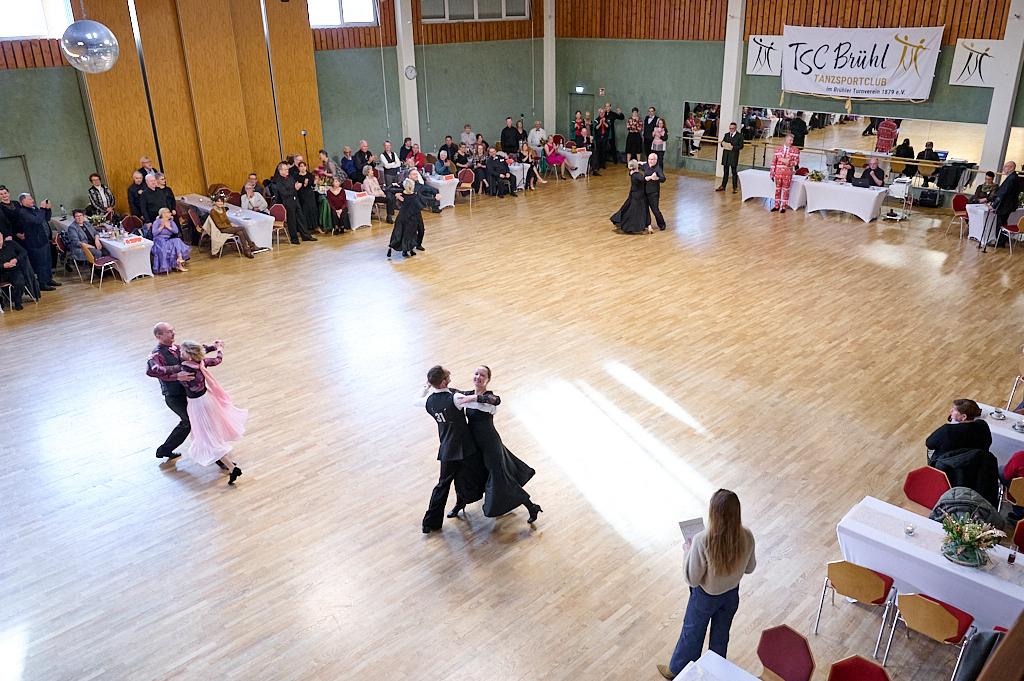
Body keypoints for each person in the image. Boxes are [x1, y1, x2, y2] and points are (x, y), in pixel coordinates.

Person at [657, 489, 756, 680]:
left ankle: (678, 672)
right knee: (721, 637)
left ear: (713, 513)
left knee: (692, 634)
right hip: (731, 596)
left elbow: (692, 579)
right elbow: (750, 568)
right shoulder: (747, 536)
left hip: (705, 598)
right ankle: (715, 673)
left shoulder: (702, 540)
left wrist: (688, 550)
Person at [453, 366, 542, 522]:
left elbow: (496, 400)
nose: (478, 377)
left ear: (488, 380)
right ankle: (460, 503)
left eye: (482, 375)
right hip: (474, 444)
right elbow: (452, 392)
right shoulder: (468, 393)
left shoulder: (489, 397)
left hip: (490, 444)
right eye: (476, 373)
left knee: (501, 477)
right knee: (467, 474)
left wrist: (473, 398)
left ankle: (531, 506)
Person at [420, 365, 487, 532]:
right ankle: (499, 501)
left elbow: (415, 400)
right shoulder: (455, 397)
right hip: (466, 448)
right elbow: (477, 402)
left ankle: (430, 523)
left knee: (442, 485)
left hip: (448, 450)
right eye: (446, 375)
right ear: (443, 382)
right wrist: (482, 396)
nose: (449, 374)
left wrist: (426, 386)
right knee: (484, 473)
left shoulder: (428, 401)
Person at [176, 340, 246, 485]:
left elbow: (166, 372)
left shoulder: (184, 369)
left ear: (189, 356)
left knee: (206, 437)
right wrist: (218, 348)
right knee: (211, 431)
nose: (179, 353)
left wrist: (176, 376)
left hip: (197, 405)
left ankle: (232, 468)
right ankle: (229, 465)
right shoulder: (202, 362)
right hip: (208, 399)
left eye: (182, 352)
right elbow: (217, 360)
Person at [147, 323, 217, 461]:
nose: (173, 333)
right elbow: (152, 371)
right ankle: (218, 457)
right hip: (174, 397)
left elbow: (195, 351)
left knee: (194, 423)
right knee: (192, 423)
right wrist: (177, 375)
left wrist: (214, 347)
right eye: (169, 331)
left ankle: (165, 450)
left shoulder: (178, 348)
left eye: (173, 330)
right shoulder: (156, 354)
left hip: (189, 394)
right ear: (159, 336)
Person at [12, 192, 59, 291]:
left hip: (44, 239)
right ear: (23, 201)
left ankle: (49, 279)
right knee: (41, 263)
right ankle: (42, 283)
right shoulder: (23, 212)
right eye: (29, 199)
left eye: (32, 198)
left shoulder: (34, 209)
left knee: (48, 261)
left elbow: (45, 218)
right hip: (35, 241)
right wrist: (42, 208)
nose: (32, 200)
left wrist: (47, 209)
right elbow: (36, 221)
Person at [925, 399, 992, 457]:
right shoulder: (983, 424)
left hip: (949, 463)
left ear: (964, 417)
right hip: (977, 461)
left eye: (954, 410)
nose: (951, 411)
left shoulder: (947, 430)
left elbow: (929, 444)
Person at [270, 162, 314, 244]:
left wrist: (296, 187)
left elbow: (293, 186)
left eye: (287, 169)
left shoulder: (290, 177)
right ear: (280, 171)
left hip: (295, 200)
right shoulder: (278, 181)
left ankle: (306, 236)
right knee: (292, 221)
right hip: (287, 203)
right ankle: (294, 239)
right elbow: (284, 193)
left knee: (301, 218)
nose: (287, 171)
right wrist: (295, 188)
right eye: (285, 169)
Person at [611, 160, 652, 234]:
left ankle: (647, 225)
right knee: (637, 211)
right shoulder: (637, 175)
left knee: (629, 208)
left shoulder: (632, 173)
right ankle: (633, 226)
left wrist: (641, 164)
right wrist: (651, 177)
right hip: (638, 195)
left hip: (634, 194)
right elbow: (642, 179)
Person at [387, 179, 422, 259]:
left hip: (403, 217)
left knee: (402, 233)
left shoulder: (402, 195)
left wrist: (397, 195)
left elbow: (389, 189)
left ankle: (408, 249)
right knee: (409, 234)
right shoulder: (415, 196)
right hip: (410, 217)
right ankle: (406, 250)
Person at [151, 208, 190, 272]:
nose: (170, 213)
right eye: (168, 212)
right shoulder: (157, 222)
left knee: (177, 240)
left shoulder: (171, 222)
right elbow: (154, 233)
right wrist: (161, 227)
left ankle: (179, 259)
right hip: (158, 241)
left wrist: (168, 227)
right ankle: (176, 265)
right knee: (164, 244)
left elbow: (176, 231)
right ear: (163, 214)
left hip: (167, 239)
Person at [770, 133, 800, 214]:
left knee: (786, 190)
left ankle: (783, 206)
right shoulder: (778, 149)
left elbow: (796, 162)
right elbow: (774, 162)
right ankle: (776, 205)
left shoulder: (795, 150)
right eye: (790, 140)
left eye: (792, 140)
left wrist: (788, 162)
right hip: (778, 173)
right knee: (777, 189)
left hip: (787, 173)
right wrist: (772, 173)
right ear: (786, 140)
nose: (791, 142)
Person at [991, 160, 1021, 235]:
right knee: (1003, 223)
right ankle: (1002, 239)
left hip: (1005, 206)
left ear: (1011, 168)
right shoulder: (1013, 177)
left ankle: (999, 240)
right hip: (1008, 205)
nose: (1004, 168)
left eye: (1006, 166)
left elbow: (1003, 193)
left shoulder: (1011, 178)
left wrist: (994, 205)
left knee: (1000, 224)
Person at [0, 237, 30, 310]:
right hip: (1, 272)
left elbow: (24, 252)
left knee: (20, 282)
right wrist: (3, 265)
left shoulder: (11, 243)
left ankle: (17, 302)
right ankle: (1, 303)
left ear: (2, 237)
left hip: (13, 270)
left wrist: (16, 259)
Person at [716, 122, 744, 193]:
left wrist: (732, 147)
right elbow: (722, 143)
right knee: (725, 172)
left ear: (735, 128)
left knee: (734, 172)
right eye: (730, 128)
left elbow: (741, 146)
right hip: (726, 155)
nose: (731, 130)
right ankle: (723, 186)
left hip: (733, 156)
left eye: (732, 128)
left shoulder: (739, 136)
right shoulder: (726, 135)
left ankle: (735, 187)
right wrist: (722, 143)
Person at [294, 160, 321, 234]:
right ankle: (306, 228)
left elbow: (313, 185)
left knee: (313, 209)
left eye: (304, 166)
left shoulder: (309, 174)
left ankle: (315, 226)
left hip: (310, 194)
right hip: (302, 195)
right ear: (298, 168)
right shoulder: (297, 176)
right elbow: (297, 187)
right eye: (301, 166)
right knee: (305, 211)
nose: (303, 168)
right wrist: (304, 184)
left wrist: (315, 181)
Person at [643, 152, 667, 230]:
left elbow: (663, 178)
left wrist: (657, 178)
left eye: (653, 159)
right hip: (644, 191)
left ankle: (662, 224)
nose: (651, 161)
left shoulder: (658, 169)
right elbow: (642, 164)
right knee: (645, 209)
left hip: (653, 193)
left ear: (656, 160)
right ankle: (646, 224)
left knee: (655, 209)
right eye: (649, 159)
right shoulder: (646, 165)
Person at [1000, 450, 1024, 522]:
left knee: (1001, 470)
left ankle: (1019, 513)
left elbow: (1007, 476)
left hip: (1019, 494)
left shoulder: (1020, 456)